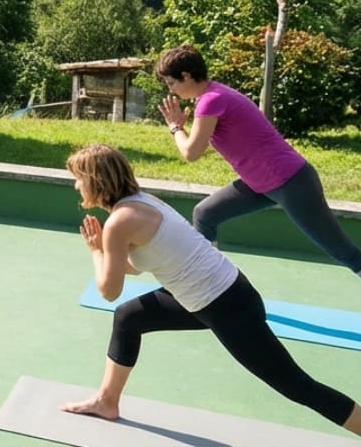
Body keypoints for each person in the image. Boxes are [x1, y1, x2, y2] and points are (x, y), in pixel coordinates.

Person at [60, 143, 361, 433]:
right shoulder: (142, 202)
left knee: (297, 386)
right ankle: (107, 401)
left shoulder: (119, 223)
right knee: (129, 317)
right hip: (216, 295)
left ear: (96, 181)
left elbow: (109, 292)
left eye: (79, 178)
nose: (76, 185)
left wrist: (97, 251)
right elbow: (138, 265)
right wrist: (107, 252)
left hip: (227, 306)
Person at [156, 44, 361, 274]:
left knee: (344, 252)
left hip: (291, 181)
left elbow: (191, 153)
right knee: (205, 214)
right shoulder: (212, 96)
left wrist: (175, 127)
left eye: (171, 83)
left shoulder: (211, 100)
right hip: (260, 184)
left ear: (186, 76)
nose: (171, 90)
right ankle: (209, 277)